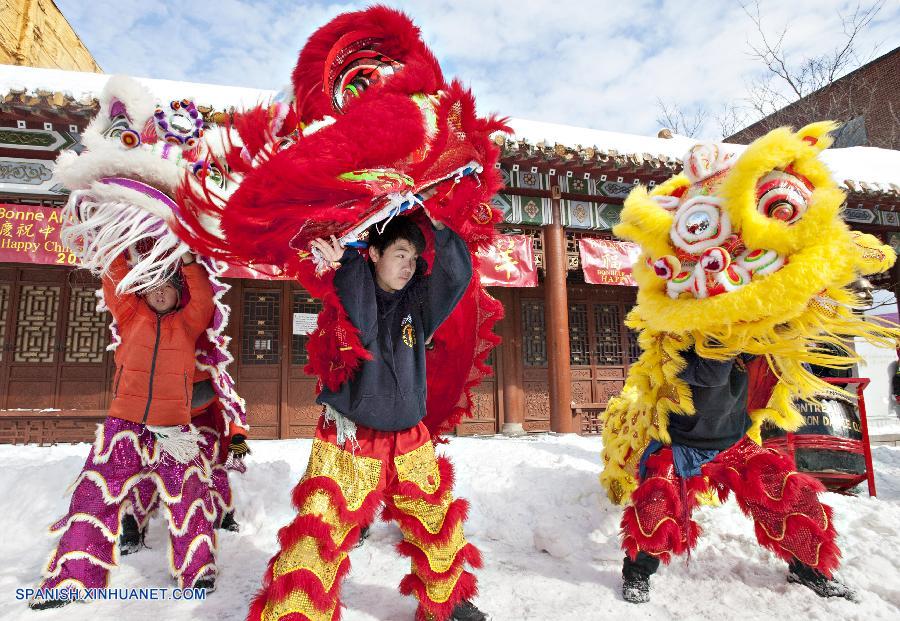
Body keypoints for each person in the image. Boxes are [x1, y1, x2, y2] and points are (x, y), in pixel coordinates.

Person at [247, 215, 486, 621]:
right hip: (352, 439)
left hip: (409, 435)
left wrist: (439, 223)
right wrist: (349, 266)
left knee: (437, 523)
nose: (409, 265)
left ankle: (445, 603)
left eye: (414, 256)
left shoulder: (419, 306)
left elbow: (457, 274)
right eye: (399, 254)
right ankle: (297, 612)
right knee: (319, 532)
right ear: (374, 253)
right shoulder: (345, 290)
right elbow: (365, 324)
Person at [30, 252, 219, 610]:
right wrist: (119, 245)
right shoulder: (131, 315)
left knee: (190, 497)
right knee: (91, 499)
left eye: (167, 288)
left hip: (172, 430)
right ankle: (74, 578)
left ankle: (198, 571)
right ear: (143, 292)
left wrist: (190, 261)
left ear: (179, 294)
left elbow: (204, 298)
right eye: (153, 288)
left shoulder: (188, 324)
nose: (160, 293)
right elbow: (115, 279)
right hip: (124, 425)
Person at [620, 349, 855, 604]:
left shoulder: (745, 337)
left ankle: (808, 569)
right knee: (656, 503)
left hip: (733, 442)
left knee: (786, 490)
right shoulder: (673, 343)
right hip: (681, 444)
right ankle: (638, 572)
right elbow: (710, 374)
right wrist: (722, 340)